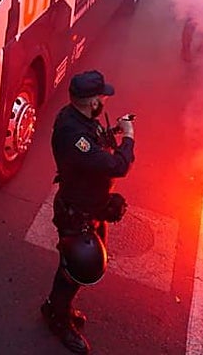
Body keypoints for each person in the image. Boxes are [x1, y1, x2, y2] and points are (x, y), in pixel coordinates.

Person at [42, 70, 135, 354]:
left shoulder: (78, 118)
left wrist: (113, 132)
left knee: (74, 267)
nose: (104, 101)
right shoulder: (74, 136)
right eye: (101, 97)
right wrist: (129, 139)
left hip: (91, 205)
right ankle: (57, 319)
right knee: (76, 269)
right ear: (89, 101)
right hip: (77, 212)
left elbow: (94, 143)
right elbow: (117, 166)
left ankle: (57, 307)